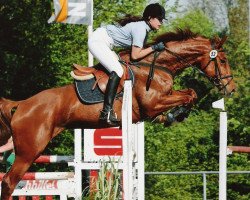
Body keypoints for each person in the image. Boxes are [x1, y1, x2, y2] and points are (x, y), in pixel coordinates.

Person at [88, 3, 166, 125]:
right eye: (159, 19)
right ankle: (106, 112)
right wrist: (154, 48)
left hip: (105, 42)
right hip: (98, 41)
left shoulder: (143, 28)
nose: (161, 22)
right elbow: (135, 56)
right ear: (150, 18)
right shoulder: (141, 29)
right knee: (118, 70)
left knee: (121, 69)